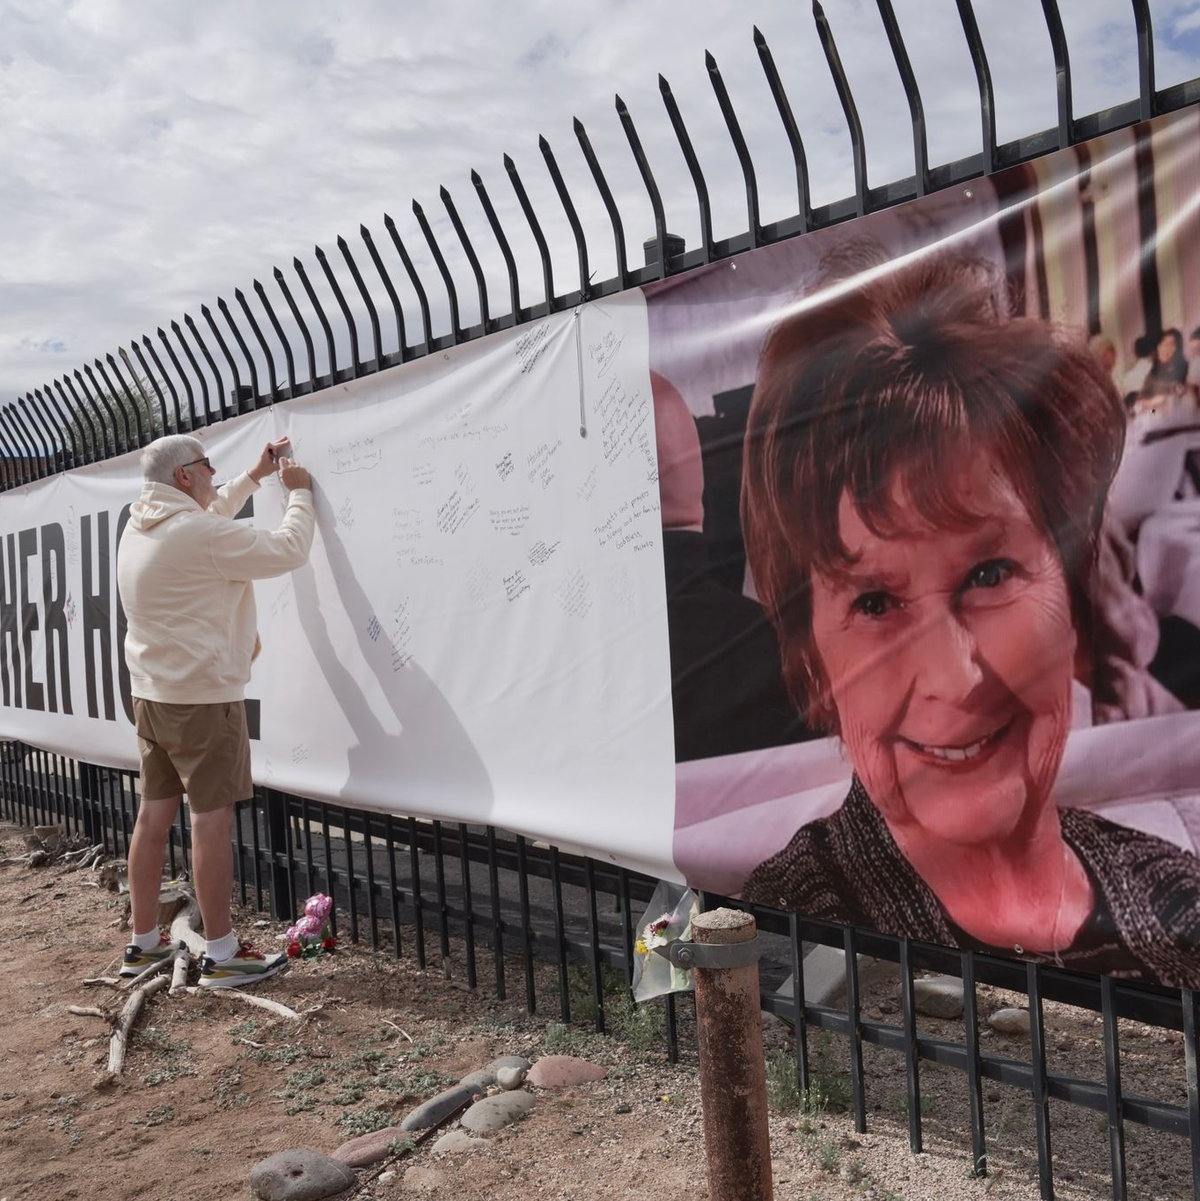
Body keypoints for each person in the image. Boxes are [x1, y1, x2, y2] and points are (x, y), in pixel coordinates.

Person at [738, 250, 1200, 987]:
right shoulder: (784, 942)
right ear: (813, 663)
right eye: (876, 602)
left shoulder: (1177, 892)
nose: (955, 678)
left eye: (989, 574)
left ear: (1071, 599)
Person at [116, 434, 315, 988]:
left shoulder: (140, 524)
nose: (213, 472)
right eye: (207, 465)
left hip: (152, 694)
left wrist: (253, 477)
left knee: (153, 818)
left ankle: (144, 943)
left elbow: (209, 517)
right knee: (211, 820)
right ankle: (224, 954)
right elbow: (287, 551)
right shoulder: (196, 533)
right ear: (184, 476)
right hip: (201, 699)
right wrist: (298, 494)